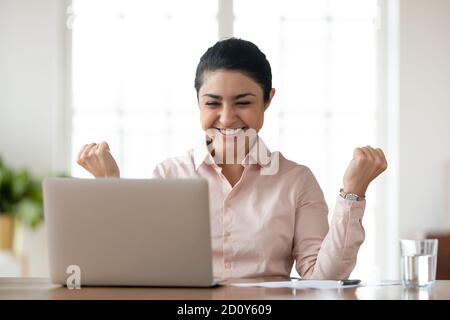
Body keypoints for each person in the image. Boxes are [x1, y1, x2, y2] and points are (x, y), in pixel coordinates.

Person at [76, 38, 387, 280]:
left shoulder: (297, 181)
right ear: (198, 102)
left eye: (243, 102)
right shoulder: (169, 175)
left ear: (268, 100)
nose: (226, 118)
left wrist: (353, 192)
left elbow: (323, 280)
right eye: (212, 103)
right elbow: (137, 267)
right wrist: (109, 188)